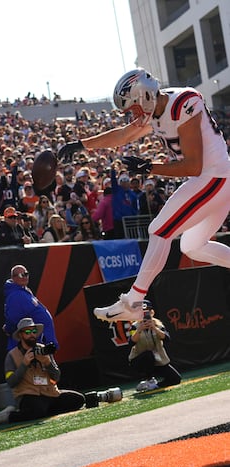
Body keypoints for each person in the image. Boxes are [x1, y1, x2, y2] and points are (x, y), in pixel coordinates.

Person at [56, 68, 230, 322]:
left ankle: (133, 301)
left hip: (214, 177)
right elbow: (123, 135)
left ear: (144, 96)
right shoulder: (156, 110)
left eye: (132, 108)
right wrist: (82, 144)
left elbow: (194, 166)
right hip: (212, 179)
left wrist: (150, 168)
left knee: (160, 230)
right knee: (192, 245)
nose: (132, 115)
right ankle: (134, 301)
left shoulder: (183, 103)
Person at [0, 318, 85, 426]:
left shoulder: (44, 350)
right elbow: (11, 382)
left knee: (78, 400)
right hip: (28, 395)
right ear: (20, 335)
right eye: (28, 332)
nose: (32, 335)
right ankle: (8, 416)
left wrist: (48, 363)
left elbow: (56, 377)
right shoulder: (12, 355)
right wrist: (24, 364)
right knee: (37, 410)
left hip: (50, 393)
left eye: (34, 332)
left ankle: (45, 411)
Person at [128, 301, 181, 392]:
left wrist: (154, 328)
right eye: (141, 313)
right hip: (140, 361)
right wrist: (139, 330)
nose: (144, 315)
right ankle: (149, 379)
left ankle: (153, 385)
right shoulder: (134, 326)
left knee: (175, 378)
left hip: (158, 360)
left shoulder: (159, 325)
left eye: (146, 312)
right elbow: (131, 342)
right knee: (148, 355)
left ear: (152, 313)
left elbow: (167, 338)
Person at [3, 264, 59, 350]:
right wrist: (8, 329)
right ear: (13, 278)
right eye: (22, 275)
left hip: (41, 343)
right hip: (31, 346)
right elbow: (13, 320)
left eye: (26, 274)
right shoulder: (16, 295)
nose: (25, 277)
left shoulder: (23, 291)